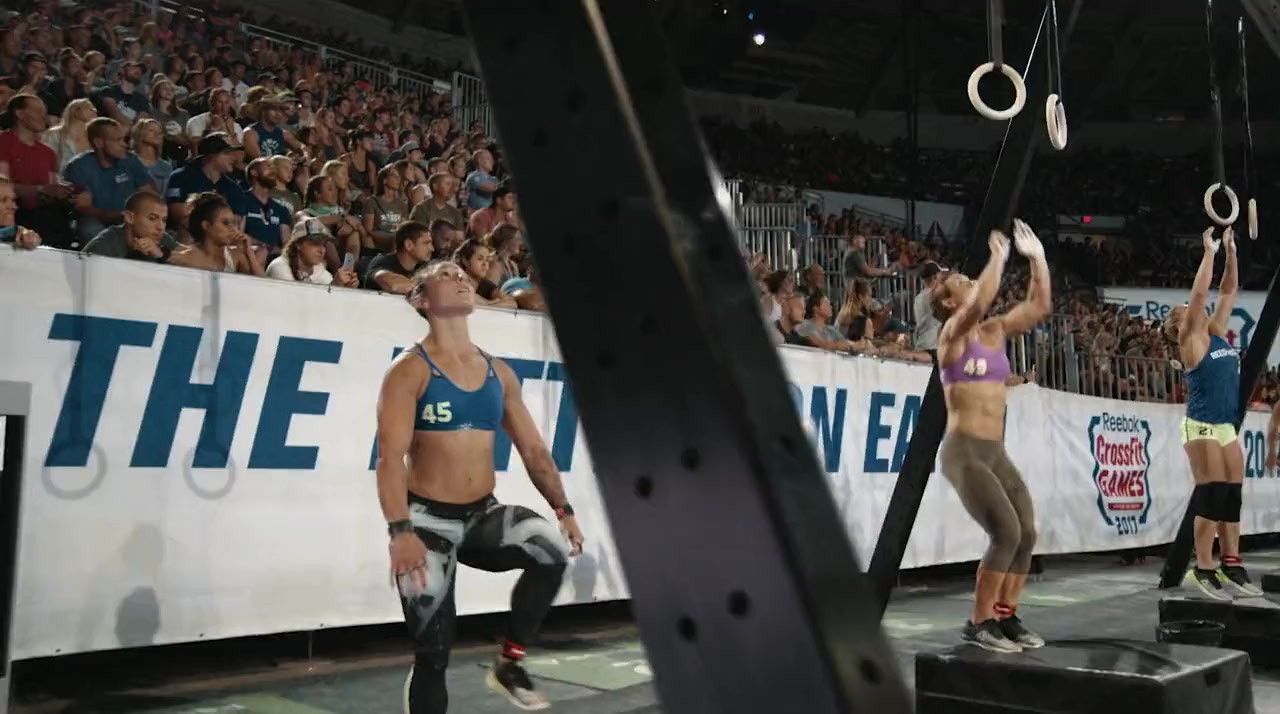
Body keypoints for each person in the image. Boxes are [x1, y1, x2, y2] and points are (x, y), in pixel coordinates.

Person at [376, 261, 585, 713]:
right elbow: (389, 459)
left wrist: (563, 508)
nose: (460, 278)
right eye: (445, 275)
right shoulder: (409, 371)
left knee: (550, 551)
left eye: (461, 274)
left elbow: (534, 450)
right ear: (421, 300)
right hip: (426, 523)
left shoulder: (498, 372)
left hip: (480, 514)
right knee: (434, 651)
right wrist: (400, 531)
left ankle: (510, 663)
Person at [929, 220, 1050, 654]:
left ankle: (1005, 615)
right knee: (1006, 531)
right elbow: (979, 301)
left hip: (995, 451)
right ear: (948, 302)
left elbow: (1039, 305)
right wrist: (997, 257)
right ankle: (979, 623)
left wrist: (1038, 259)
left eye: (969, 277)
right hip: (964, 452)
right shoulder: (952, 334)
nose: (968, 281)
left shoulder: (995, 332)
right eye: (960, 282)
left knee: (1027, 533)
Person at [1164, 226, 1262, 599]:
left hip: (1224, 426)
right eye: (1185, 311)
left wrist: (1232, 253)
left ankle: (1231, 563)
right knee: (1213, 493)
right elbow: (1201, 293)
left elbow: (1228, 291)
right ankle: (1203, 567)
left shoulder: (1216, 331)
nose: (1192, 308)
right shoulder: (1190, 340)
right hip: (1201, 426)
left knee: (1232, 494)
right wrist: (1208, 251)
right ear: (1180, 325)